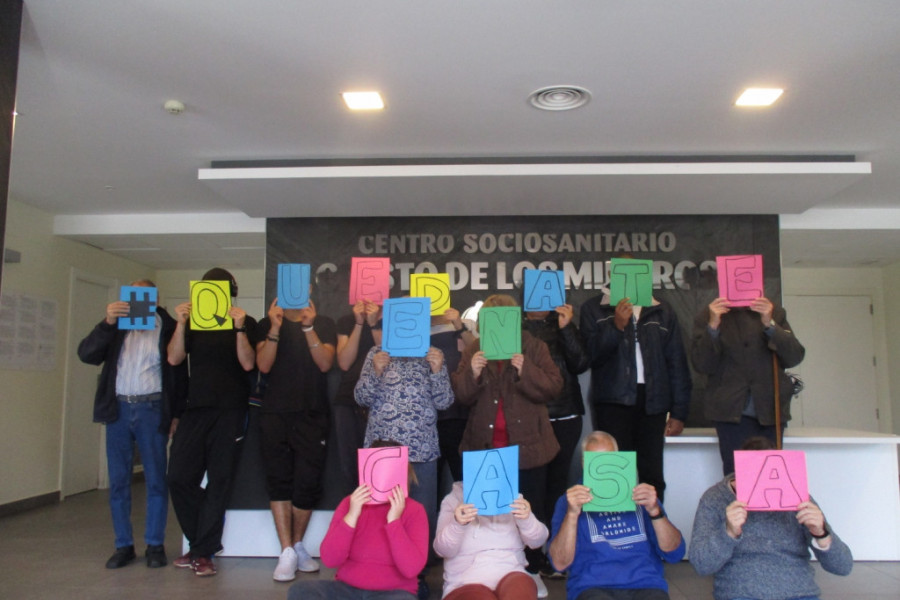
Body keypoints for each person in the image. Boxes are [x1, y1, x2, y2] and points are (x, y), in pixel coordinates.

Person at [452, 293, 563, 597]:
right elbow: (460, 396)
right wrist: (472, 372)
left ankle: (531, 569)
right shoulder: (475, 347)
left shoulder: (534, 346)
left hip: (528, 447)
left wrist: (526, 369)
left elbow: (554, 387)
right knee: (487, 513)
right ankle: (490, 569)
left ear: (516, 320)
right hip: (484, 446)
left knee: (530, 510)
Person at [76, 279, 187, 569]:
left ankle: (154, 545)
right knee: (119, 482)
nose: (139, 299)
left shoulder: (168, 325)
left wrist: (175, 414)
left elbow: (179, 374)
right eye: (133, 294)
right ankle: (123, 545)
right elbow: (87, 354)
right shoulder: (115, 326)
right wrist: (108, 321)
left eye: (145, 294)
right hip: (119, 409)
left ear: (155, 298)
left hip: (152, 407)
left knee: (155, 480)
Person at [166, 267, 259, 577]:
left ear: (231, 292)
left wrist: (240, 328)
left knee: (219, 482)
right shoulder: (192, 322)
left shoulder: (246, 322)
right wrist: (180, 324)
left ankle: (202, 551)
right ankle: (200, 543)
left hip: (230, 410)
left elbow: (248, 363)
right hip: (195, 409)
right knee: (178, 476)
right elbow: (174, 358)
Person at [689, 437, 852, 600]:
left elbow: (843, 566)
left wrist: (821, 533)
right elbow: (702, 565)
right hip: (740, 593)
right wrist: (728, 533)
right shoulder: (715, 498)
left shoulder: (799, 497)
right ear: (740, 472)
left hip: (799, 592)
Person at [579, 290, 691, 501]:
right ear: (612, 277)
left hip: (653, 400)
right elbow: (589, 356)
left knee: (652, 474)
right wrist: (616, 326)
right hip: (613, 401)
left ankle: (654, 526)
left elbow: (677, 361)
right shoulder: (594, 308)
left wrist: (679, 412)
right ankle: (617, 530)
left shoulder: (662, 309)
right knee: (613, 472)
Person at [255, 295, 336, 581]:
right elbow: (263, 366)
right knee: (278, 480)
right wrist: (275, 328)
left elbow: (325, 363)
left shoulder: (323, 323)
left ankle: (297, 545)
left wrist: (308, 327)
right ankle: (286, 550)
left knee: (308, 482)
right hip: (275, 413)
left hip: (312, 414)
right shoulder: (267, 323)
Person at [549, 431, 686, 600]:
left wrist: (655, 512)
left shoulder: (642, 497)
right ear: (584, 463)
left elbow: (675, 553)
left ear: (619, 459)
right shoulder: (568, 502)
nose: (604, 469)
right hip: (593, 586)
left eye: (609, 460)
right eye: (596, 462)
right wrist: (571, 515)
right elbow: (559, 563)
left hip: (645, 584)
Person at [287, 441, 429, 600]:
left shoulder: (415, 510)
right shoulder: (350, 503)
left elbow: (411, 569)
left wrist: (394, 522)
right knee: (300, 591)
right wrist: (351, 516)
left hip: (393, 593)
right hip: (347, 589)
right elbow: (330, 559)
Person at [354, 341, 455, 556]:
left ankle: (420, 573)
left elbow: (445, 402)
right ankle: (379, 564)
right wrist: (375, 370)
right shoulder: (376, 351)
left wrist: (437, 371)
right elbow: (361, 397)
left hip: (422, 449)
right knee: (379, 512)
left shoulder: (434, 353)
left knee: (421, 515)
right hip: (382, 452)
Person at [690, 296, 805, 475]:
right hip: (730, 411)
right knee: (736, 477)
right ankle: (735, 505)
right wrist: (712, 326)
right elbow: (702, 364)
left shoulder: (773, 310)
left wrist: (770, 324)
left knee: (771, 475)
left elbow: (794, 357)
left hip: (770, 409)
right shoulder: (708, 313)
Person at [522, 303, 590, 578]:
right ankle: (532, 556)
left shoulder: (563, 323)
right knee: (531, 489)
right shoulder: (513, 326)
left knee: (558, 487)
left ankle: (556, 554)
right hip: (529, 416)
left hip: (565, 414)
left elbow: (581, 363)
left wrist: (567, 328)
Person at [433, 481, 549, 600]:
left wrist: (526, 519)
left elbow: (538, 540)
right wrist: (458, 524)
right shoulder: (453, 501)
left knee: (521, 589)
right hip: (465, 581)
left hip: (511, 572)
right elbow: (442, 550)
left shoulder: (514, 497)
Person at [333, 299, 382, 496]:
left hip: (381, 400)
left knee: (379, 464)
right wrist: (359, 323)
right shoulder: (346, 321)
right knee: (350, 466)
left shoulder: (393, 319)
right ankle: (356, 519)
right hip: (348, 399)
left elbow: (390, 356)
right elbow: (344, 363)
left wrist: (373, 323)